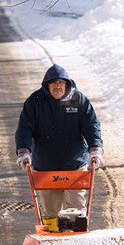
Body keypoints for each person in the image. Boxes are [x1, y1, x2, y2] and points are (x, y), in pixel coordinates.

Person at [15, 64, 103, 231]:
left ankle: (76, 241)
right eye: (53, 83)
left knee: (76, 209)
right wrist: (24, 151)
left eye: (61, 83)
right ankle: (51, 242)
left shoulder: (79, 100)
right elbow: (24, 128)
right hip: (45, 166)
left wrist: (95, 149)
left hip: (75, 164)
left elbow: (91, 126)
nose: (57, 86)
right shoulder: (35, 102)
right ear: (47, 85)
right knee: (50, 212)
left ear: (67, 84)